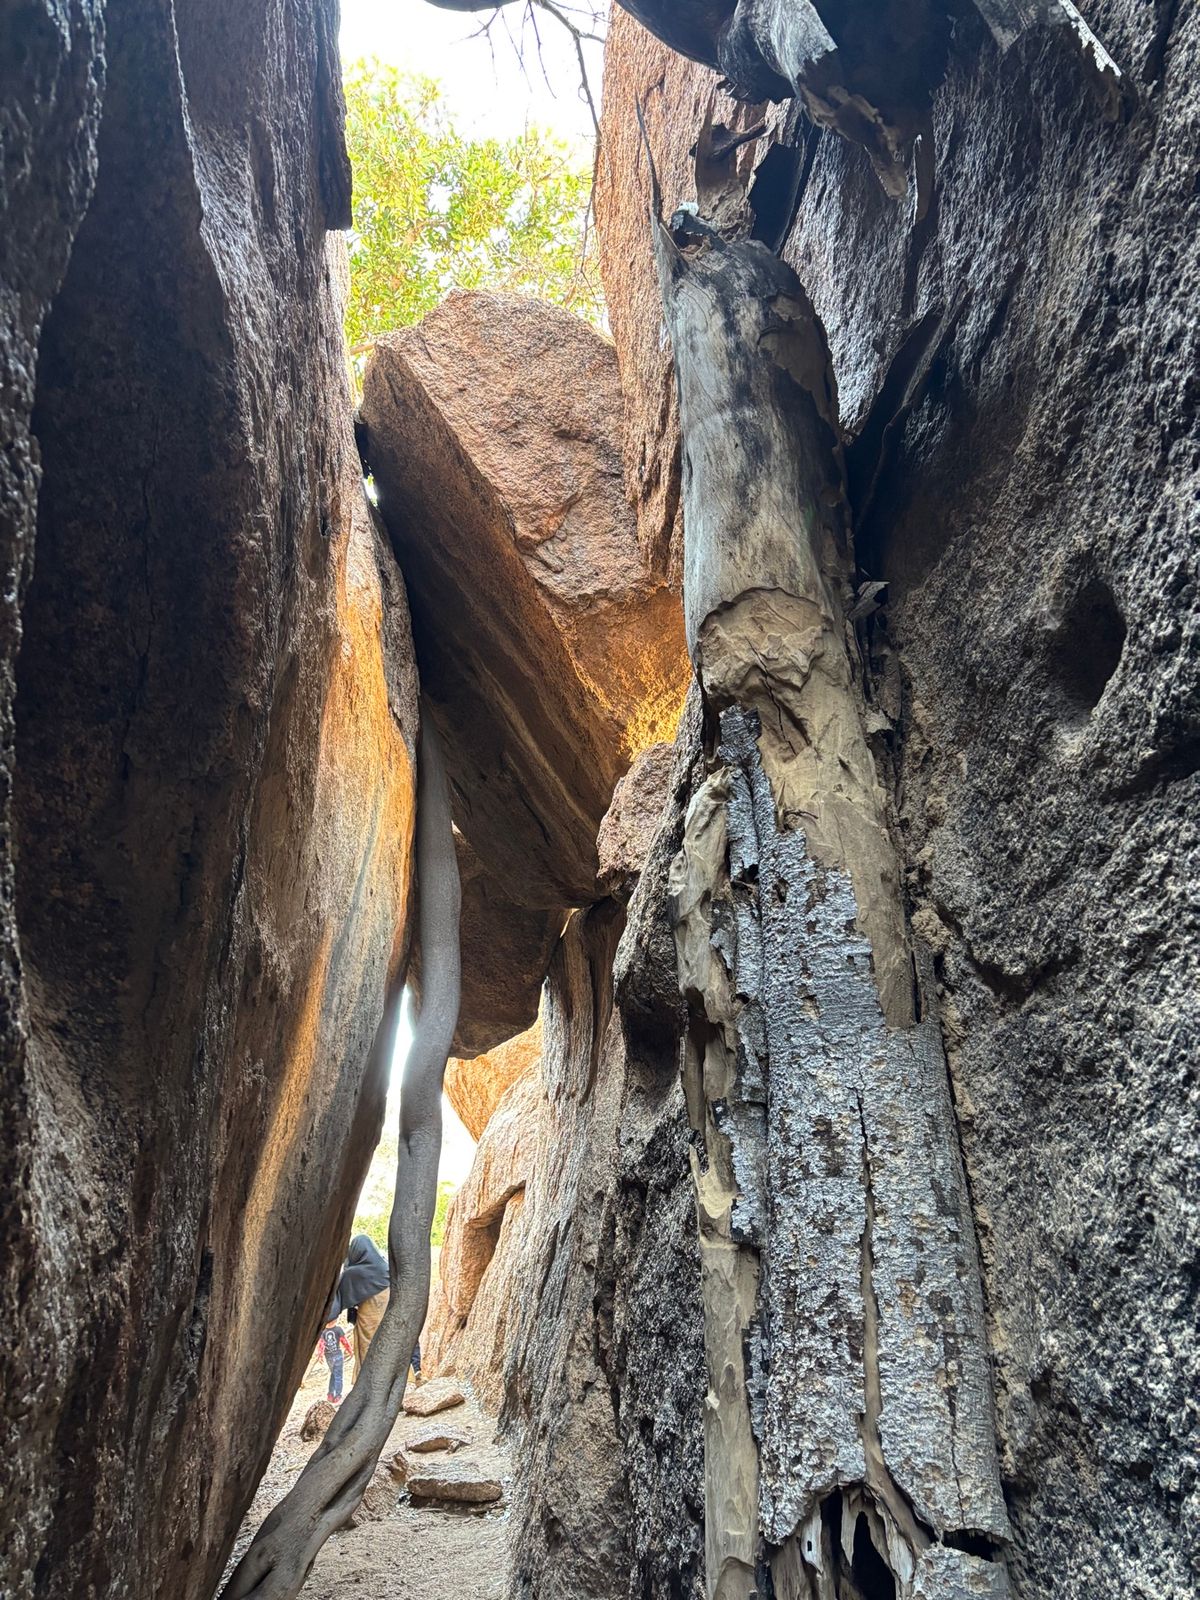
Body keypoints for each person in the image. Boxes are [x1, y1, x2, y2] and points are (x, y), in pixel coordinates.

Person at [331, 1233, 390, 1382]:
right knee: (388, 1348)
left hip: (368, 1322)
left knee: (369, 1348)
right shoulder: (385, 1268)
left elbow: (339, 1298)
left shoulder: (353, 1274)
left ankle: (369, 1384)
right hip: (389, 1321)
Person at [317, 1318, 353, 1404]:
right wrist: (350, 1351)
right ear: (335, 1319)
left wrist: (320, 1355)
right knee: (338, 1376)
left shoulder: (323, 1331)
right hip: (338, 1355)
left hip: (328, 1356)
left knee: (333, 1374)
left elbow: (321, 1344)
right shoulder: (338, 1329)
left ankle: (330, 1394)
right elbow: (344, 1341)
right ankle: (338, 1395)